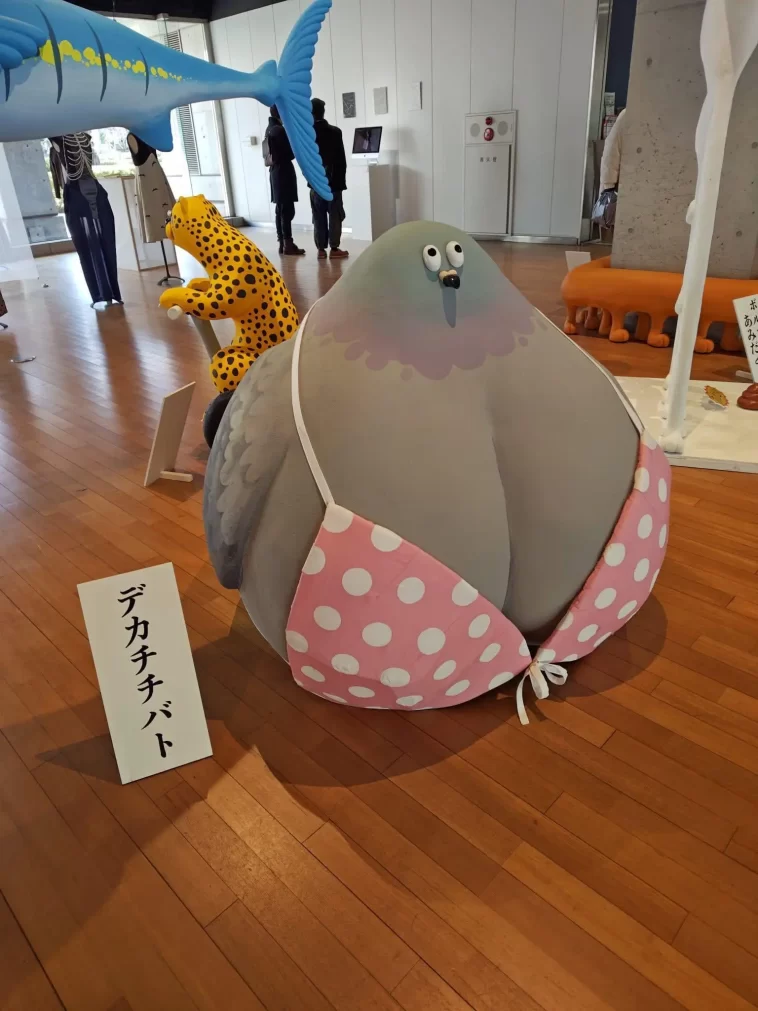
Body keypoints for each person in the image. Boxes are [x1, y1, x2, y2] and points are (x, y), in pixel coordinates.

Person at [309, 98, 348, 260]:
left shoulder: (308, 134)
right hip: (334, 183)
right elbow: (341, 161)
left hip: (315, 182)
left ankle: (320, 249)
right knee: (334, 216)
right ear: (323, 112)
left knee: (318, 216)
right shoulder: (335, 132)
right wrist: (341, 181)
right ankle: (334, 248)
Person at [265, 106, 305, 256]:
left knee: (280, 210)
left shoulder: (269, 129)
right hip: (283, 173)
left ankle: (282, 242)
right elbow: (290, 153)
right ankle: (288, 243)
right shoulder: (280, 131)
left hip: (275, 172)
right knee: (286, 210)